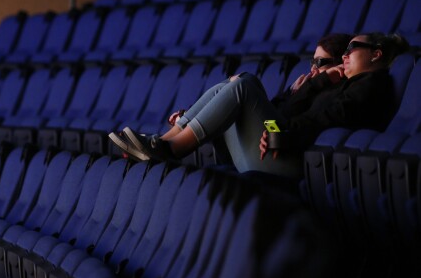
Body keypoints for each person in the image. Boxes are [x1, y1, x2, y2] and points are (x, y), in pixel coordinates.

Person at [110, 32, 410, 178]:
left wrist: (288, 121)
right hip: (278, 145)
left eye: (352, 49)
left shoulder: (371, 84)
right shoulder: (341, 84)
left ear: (377, 54)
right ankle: (163, 141)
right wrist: (307, 88)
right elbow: (280, 113)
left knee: (244, 84)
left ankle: (170, 150)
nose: (345, 56)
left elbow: (324, 118)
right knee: (234, 83)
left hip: (291, 161)